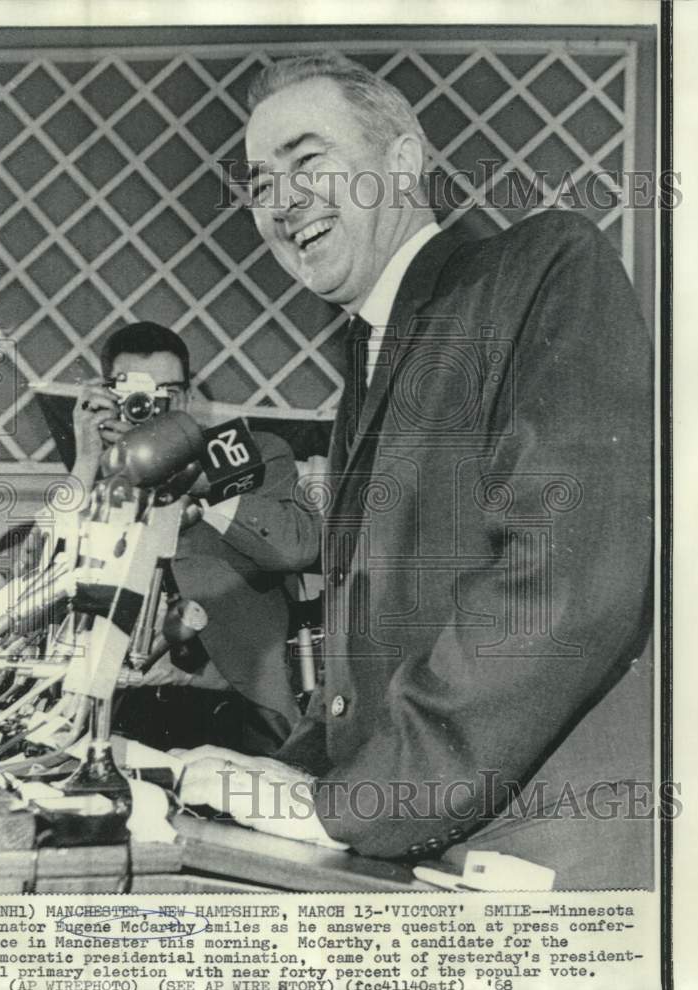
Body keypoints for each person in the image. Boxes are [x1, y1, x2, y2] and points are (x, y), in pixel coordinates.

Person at [175, 55, 654, 887]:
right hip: (420, 856)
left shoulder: (538, 267)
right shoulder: (369, 345)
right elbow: (373, 669)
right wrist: (270, 776)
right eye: (258, 182)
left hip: (540, 869)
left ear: (401, 162)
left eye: (306, 159)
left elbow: (565, 582)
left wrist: (341, 805)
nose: (280, 203)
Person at [71, 321, 322, 753]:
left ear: (186, 397)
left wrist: (187, 474)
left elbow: (294, 548)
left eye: (165, 394)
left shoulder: (252, 453)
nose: (150, 408)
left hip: (236, 705)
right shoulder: (107, 480)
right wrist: (87, 459)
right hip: (118, 702)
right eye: (134, 395)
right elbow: (57, 573)